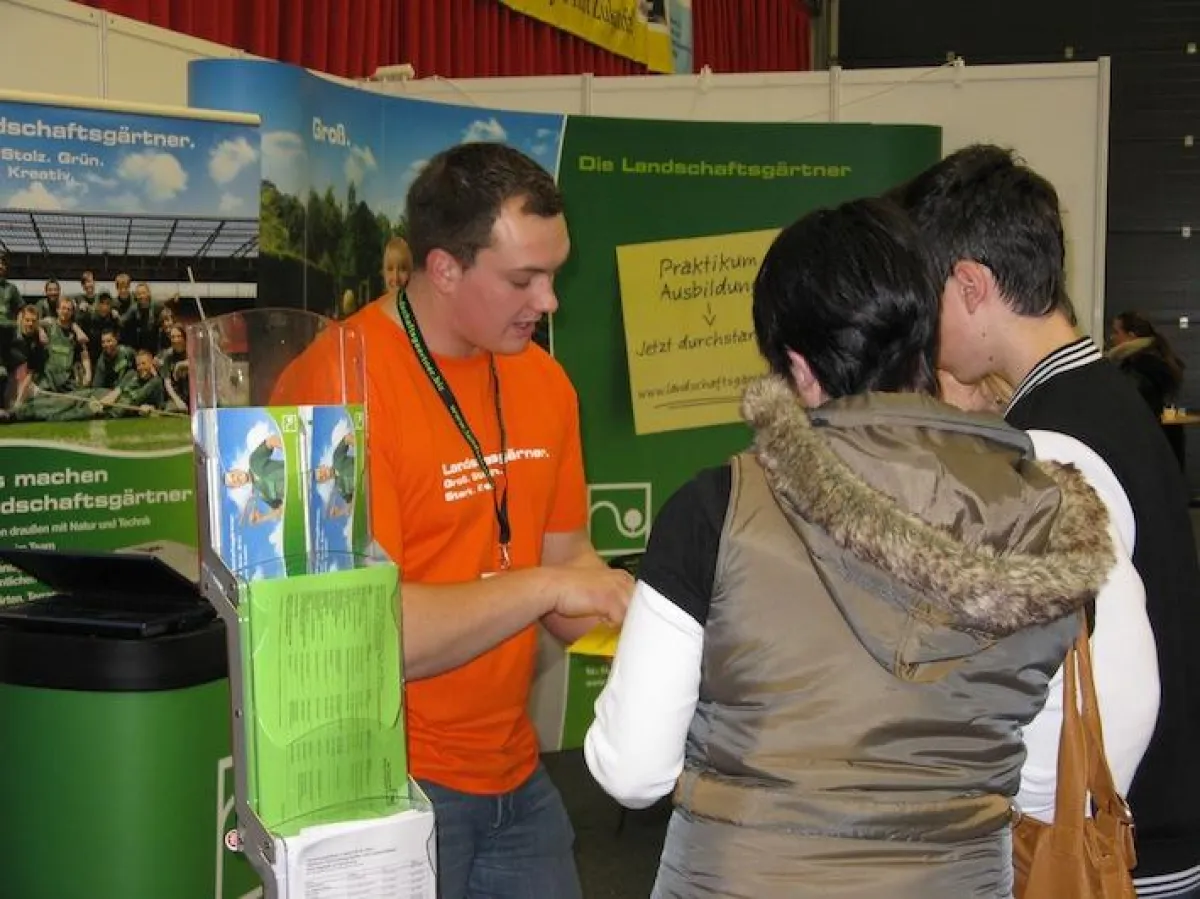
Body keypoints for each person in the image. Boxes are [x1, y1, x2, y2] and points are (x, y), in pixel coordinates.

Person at [584, 196, 1114, 898]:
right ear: (927, 336)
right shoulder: (1048, 515)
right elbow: (1046, 773)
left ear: (800, 368)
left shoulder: (719, 508)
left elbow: (632, 768)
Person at [273, 141, 632, 898]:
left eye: (553, 275)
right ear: (443, 268)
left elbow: (572, 573)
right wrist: (546, 589)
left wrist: (654, 619)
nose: (550, 301)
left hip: (515, 776)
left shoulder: (546, 384)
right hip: (379, 788)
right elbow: (375, 635)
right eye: (523, 279)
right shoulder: (334, 387)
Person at [898, 143, 1200, 898]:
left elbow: (1111, 697)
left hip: (1118, 853)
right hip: (1151, 829)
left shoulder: (1049, 444)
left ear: (970, 285)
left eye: (922, 293)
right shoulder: (1099, 400)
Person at [1108, 311, 1185, 418]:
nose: (1112, 337)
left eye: (1116, 332)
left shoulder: (1142, 367)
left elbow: (1130, 408)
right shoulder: (1148, 362)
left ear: (1131, 336)